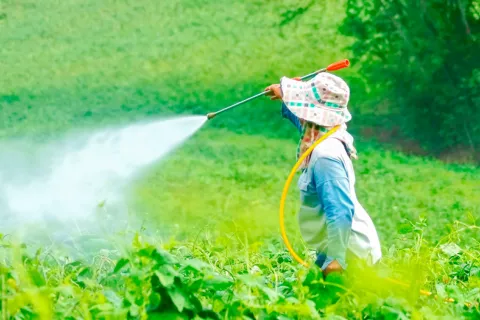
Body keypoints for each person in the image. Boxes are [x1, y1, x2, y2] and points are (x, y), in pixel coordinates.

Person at [265, 72, 382, 276]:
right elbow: (302, 120)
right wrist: (285, 96)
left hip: (351, 255)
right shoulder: (325, 131)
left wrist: (336, 259)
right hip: (337, 247)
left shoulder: (325, 156)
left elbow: (340, 210)